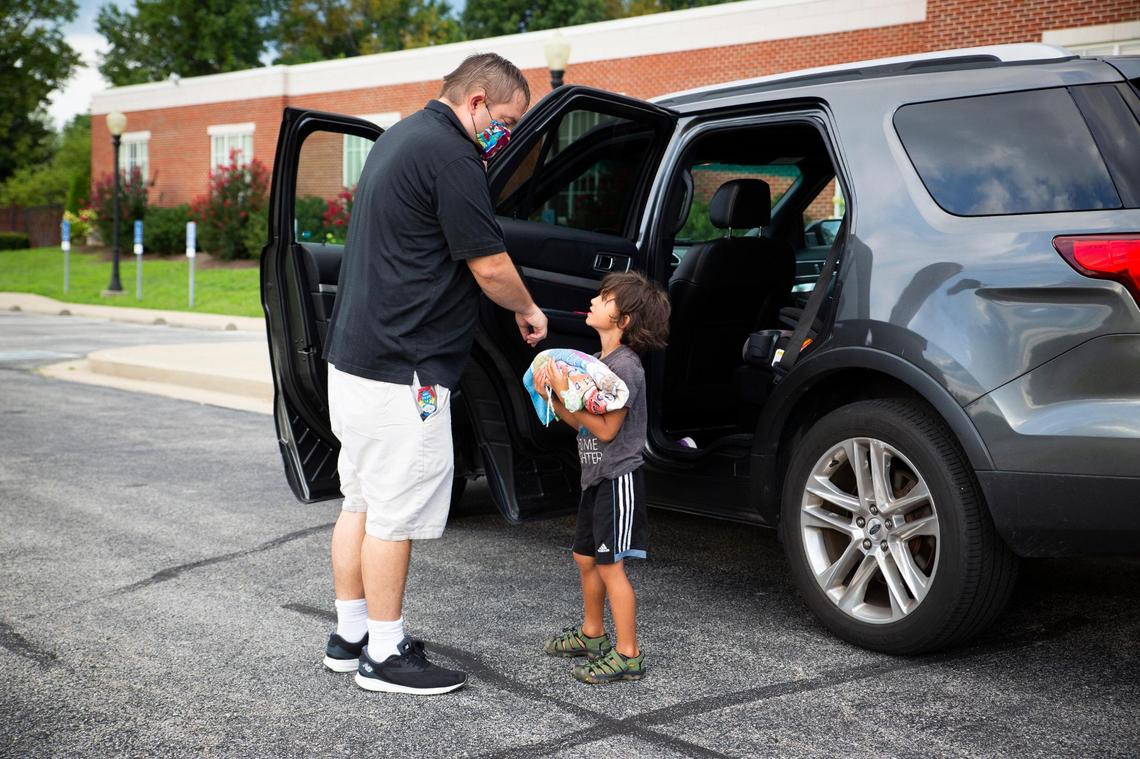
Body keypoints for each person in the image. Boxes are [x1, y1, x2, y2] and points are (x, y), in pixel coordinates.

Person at [320, 53, 548, 695]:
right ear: (476, 101)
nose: (503, 134)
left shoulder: (398, 138)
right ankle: (386, 656)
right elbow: (490, 266)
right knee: (393, 514)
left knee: (361, 502)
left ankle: (351, 635)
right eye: (504, 120)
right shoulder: (452, 155)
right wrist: (529, 309)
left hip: (356, 364)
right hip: (406, 375)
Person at [537, 271, 670, 684]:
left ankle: (628, 653)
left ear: (623, 320)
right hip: (595, 477)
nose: (595, 300)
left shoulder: (626, 368)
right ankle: (593, 634)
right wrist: (553, 396)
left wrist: (565, 393)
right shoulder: (599, 365)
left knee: (611, 566)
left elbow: (607, 430)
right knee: (585, 556)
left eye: (605, 297)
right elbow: (581, 422)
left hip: (618, 478)